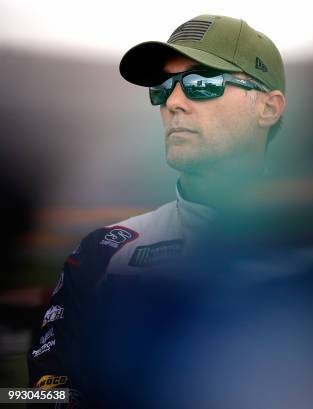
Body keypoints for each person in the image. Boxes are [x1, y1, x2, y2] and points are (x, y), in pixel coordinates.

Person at [27, 14, 286, 407]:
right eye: (163, 88)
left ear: (268, 108)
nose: (174, 103)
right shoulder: (101, 255)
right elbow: (39, 395)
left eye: (202, 84)